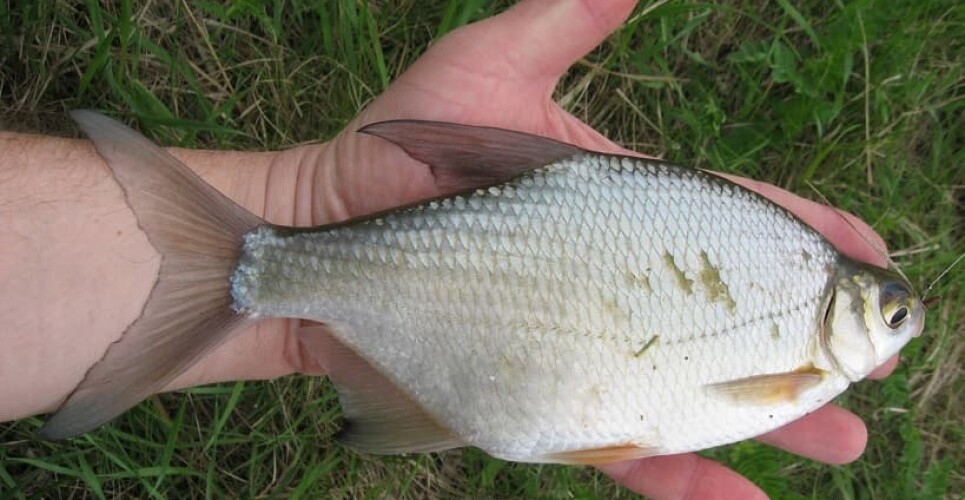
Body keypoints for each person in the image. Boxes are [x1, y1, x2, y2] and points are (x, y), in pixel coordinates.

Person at [0, 0, 898, 498]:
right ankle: (257, 269)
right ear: (848, 309)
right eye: (890, 314)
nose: (895, 328)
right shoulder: (802, 355)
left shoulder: (798, 341)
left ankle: (260, 270)